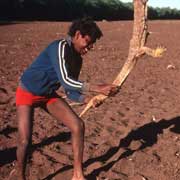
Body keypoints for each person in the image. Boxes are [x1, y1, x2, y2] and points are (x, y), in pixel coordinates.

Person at [13, 17, 117, 180]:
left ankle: (77, 174)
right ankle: (20, 175)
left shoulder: (78, 59)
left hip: (47, 95)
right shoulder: (59, 47)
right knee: (25, 141)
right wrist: (97, 88)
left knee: (78, 125)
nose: (89, 48)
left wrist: (87, 100)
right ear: (77, 35)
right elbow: (66, 79)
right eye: (87, 43)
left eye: (92, 45)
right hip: (27, 92)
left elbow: (70, 90)